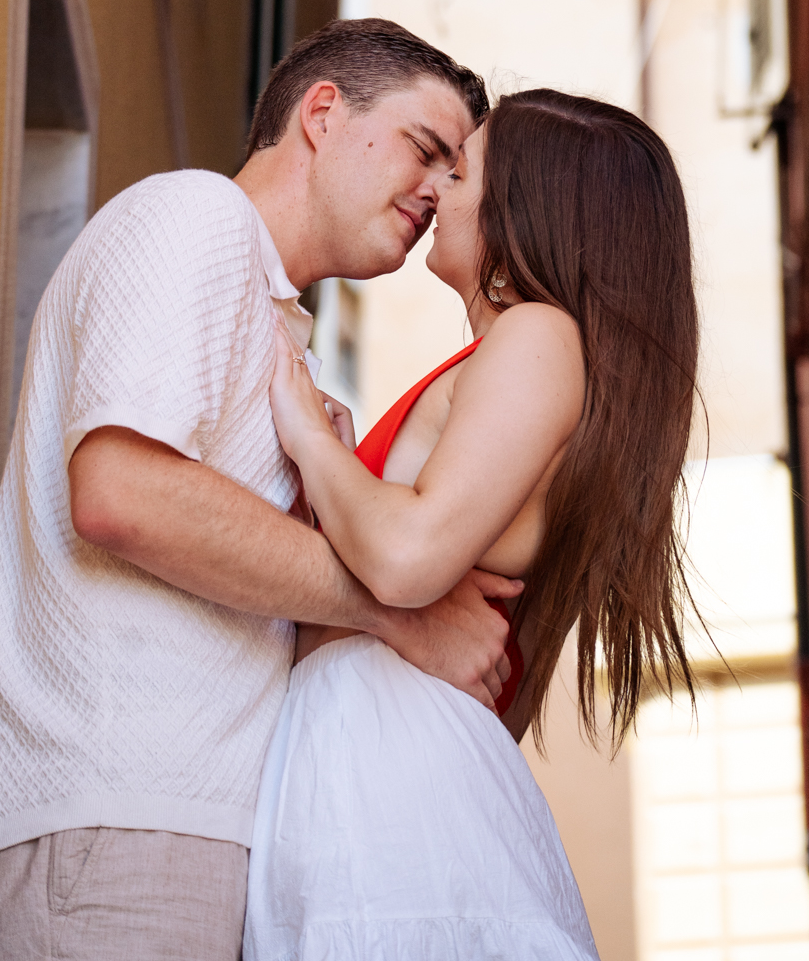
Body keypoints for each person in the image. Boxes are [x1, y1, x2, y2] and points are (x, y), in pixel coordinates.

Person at [0, 19, 523, 961]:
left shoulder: (278, 333)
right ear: (323, 113)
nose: (438, 191)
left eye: (454, 172)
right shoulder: (195, 215)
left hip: (166, 836)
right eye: (424, 148)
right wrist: (401, 612)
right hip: (99, 830)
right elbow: (121, 492)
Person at [244, 88, 699, 961]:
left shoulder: (538, 337)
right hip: (384, 756)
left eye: (460, 171)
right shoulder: (524, 360)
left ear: (523, 212)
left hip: (382, 764)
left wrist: (310, 438)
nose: (434, 188)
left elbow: (405, 555)